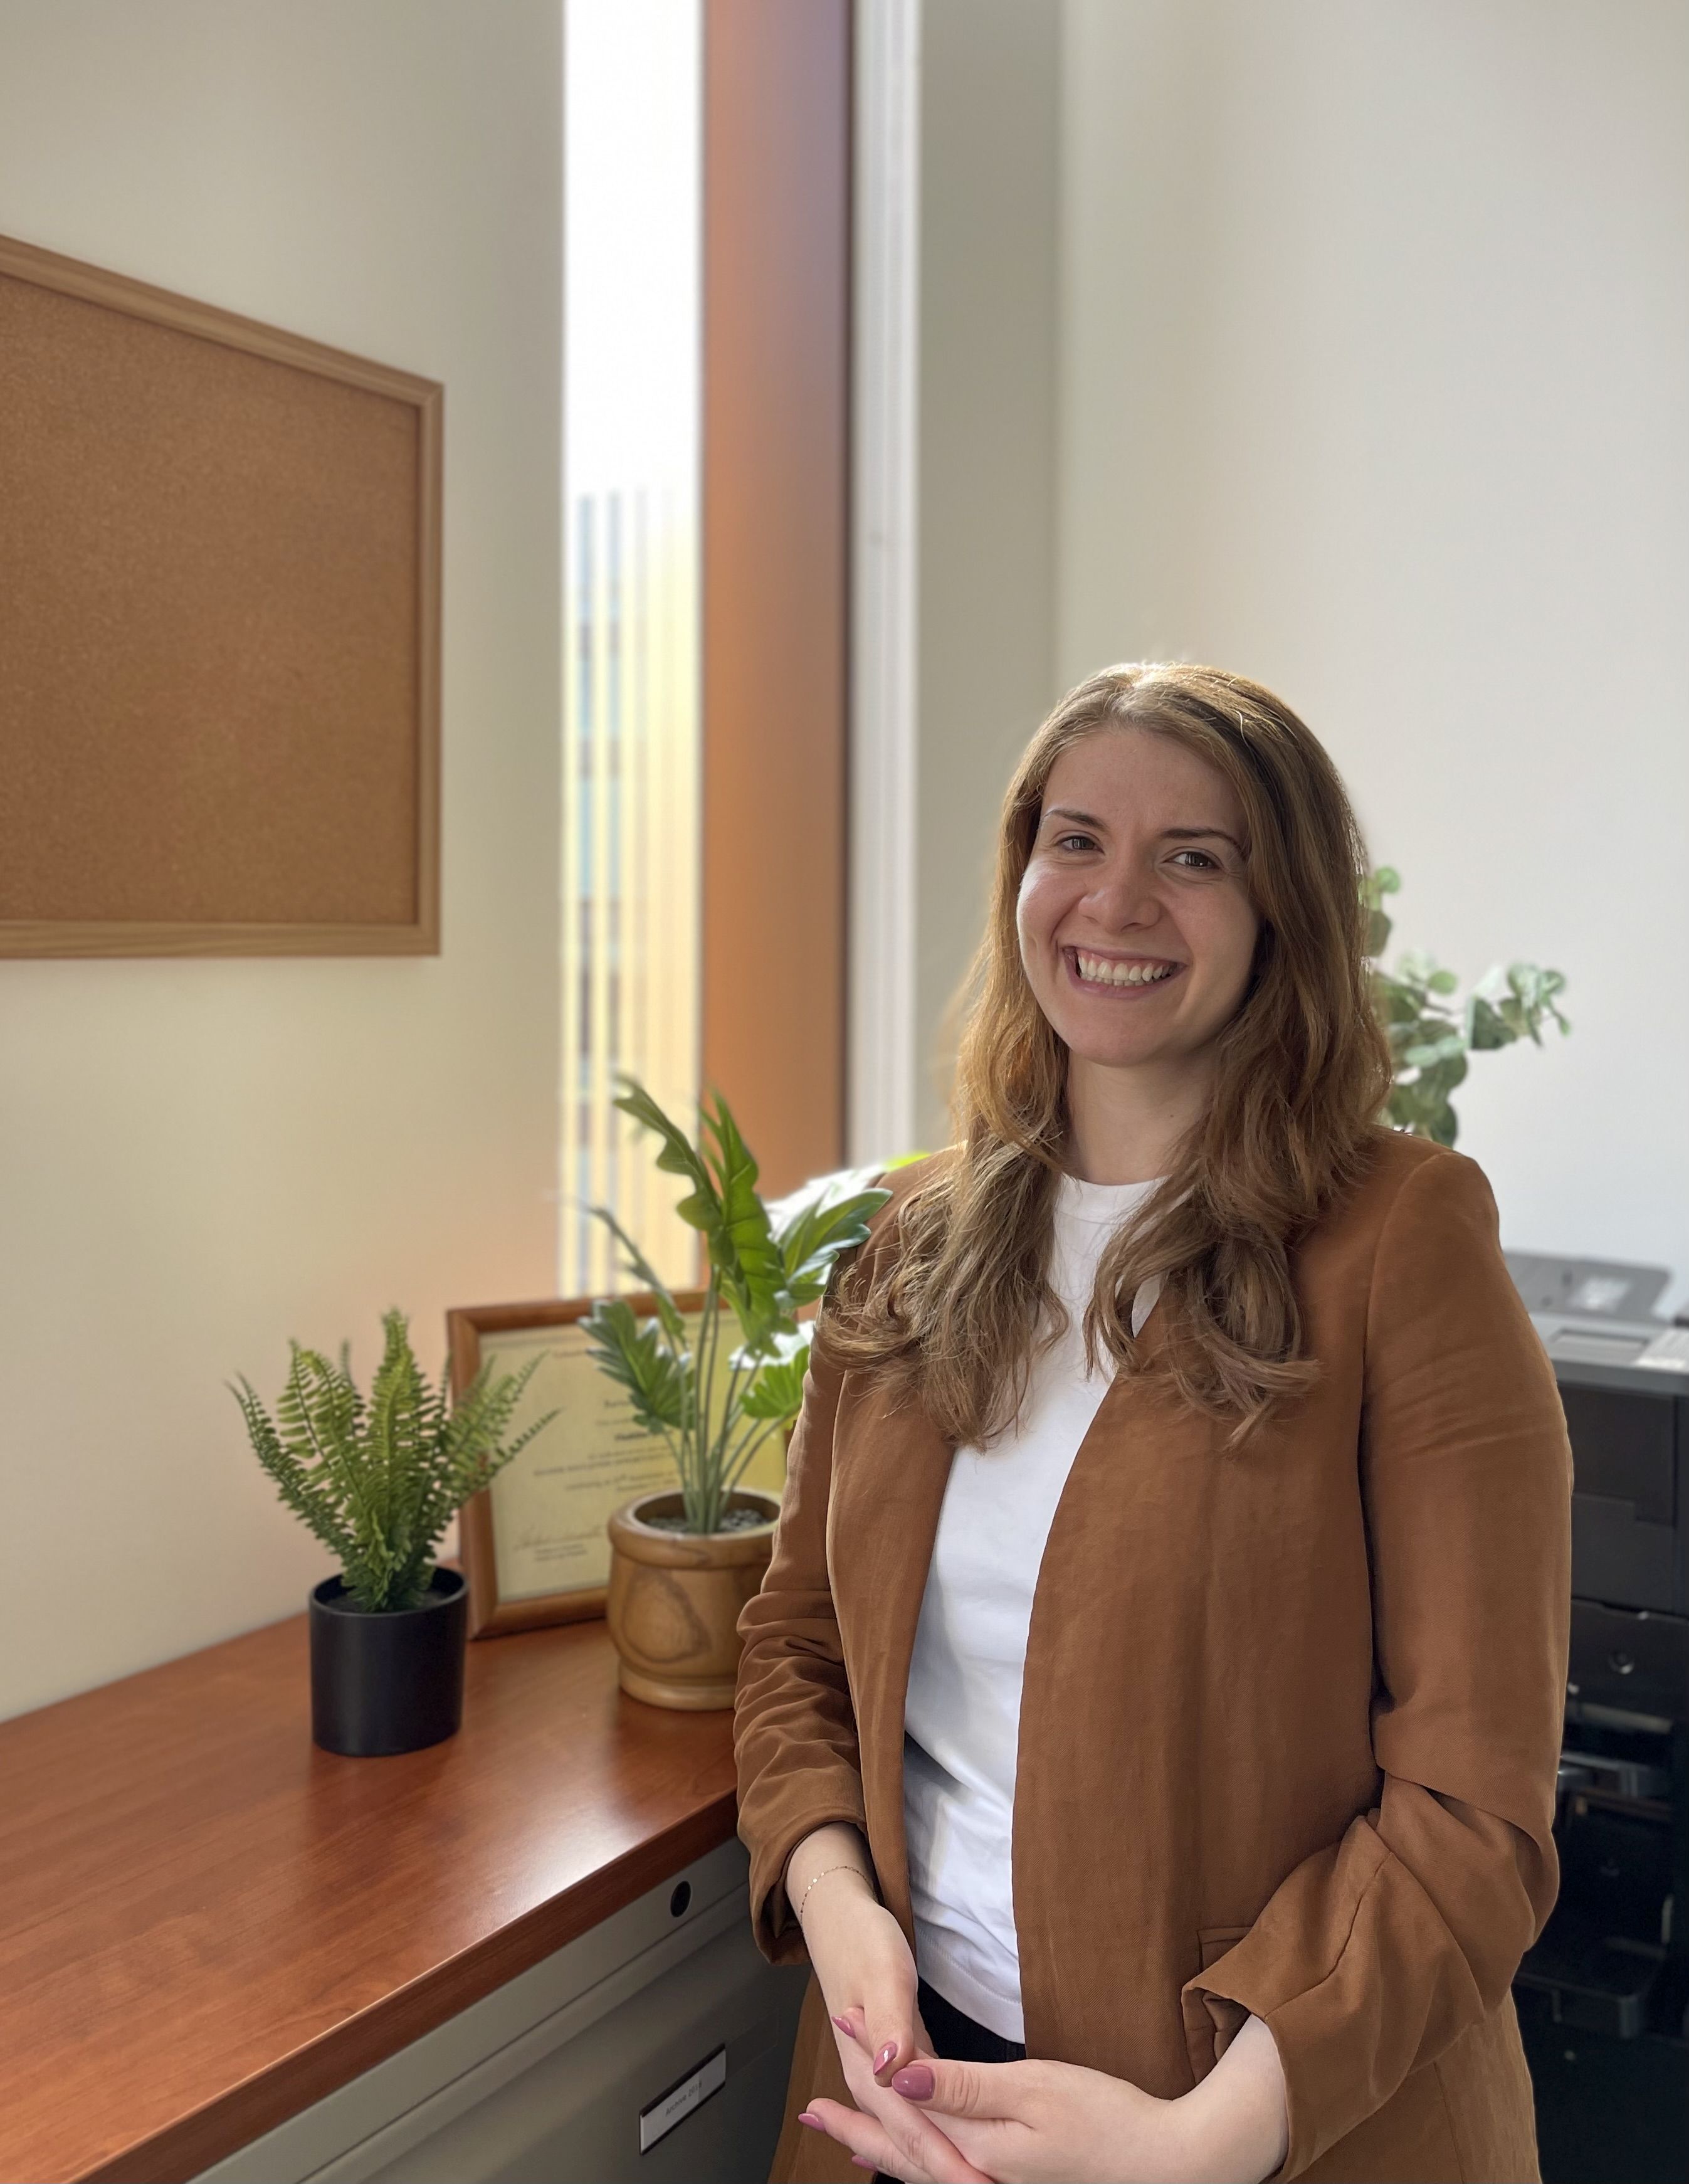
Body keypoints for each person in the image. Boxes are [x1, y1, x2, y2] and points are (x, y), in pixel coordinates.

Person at [734, 663, 1571, 2184]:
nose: (1116, 901)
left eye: (1195, 856)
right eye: (1076, 840)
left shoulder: (1401, 1238)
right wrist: (840, 1893)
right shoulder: (913, 1238)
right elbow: (797, 1642)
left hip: (1270, 2125)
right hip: (912, 2096)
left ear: (1282, 915)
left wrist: (1201, 2141)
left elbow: (1475, 1810)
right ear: (1021, 875)